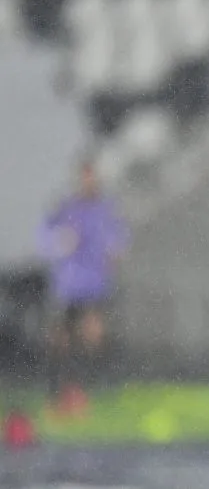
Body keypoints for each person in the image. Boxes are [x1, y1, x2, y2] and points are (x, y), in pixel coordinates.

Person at [38, 157, 129, 411]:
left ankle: (93, 390)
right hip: (67, 284)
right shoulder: (65, 207)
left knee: (92, 335)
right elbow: (45, 237)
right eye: (84, 176)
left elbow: (119, 238)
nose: (88, 181)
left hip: (95, 283)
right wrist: (59, 242)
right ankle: (59, 391)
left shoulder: (106, 208)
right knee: (60, 338)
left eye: (92, 177)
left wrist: (116, 250)